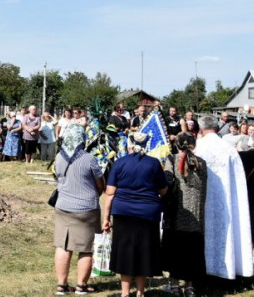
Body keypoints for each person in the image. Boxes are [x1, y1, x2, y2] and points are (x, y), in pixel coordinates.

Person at [102, 132, 168, 297]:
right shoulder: (154, 163)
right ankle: (140, 292)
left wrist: (106, 218)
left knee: (125, 252)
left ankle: (125, 293)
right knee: (144, 252)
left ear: (129, 144)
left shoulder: (120, 163)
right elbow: (163, 189)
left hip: (123, 212)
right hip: (148, 213)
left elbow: (110, 193)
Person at [193, 115, 254, 279]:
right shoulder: (228, 148)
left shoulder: (198, 147)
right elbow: (238, 180)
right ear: (218, 128)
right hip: (226, 199)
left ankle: (202, 272)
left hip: (202, 199)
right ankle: (227, 269)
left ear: (201, 128)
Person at [52, 125, 105, 295]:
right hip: (86, 209)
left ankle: (62, 285)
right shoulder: (89, 159)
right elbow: (100, 183)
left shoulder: (59, 157)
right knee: (86, 248)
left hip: (62, 207)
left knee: (63, 245)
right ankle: (82, 285)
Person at [161, 133, 207, 296]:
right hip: (196, 215)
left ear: (178, 145)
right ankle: (189, 286)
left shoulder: (172, 160)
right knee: (192, 250)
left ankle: (174, 285)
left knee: (176, 249)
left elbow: (166, 182)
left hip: (177, 213)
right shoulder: (201, 162)